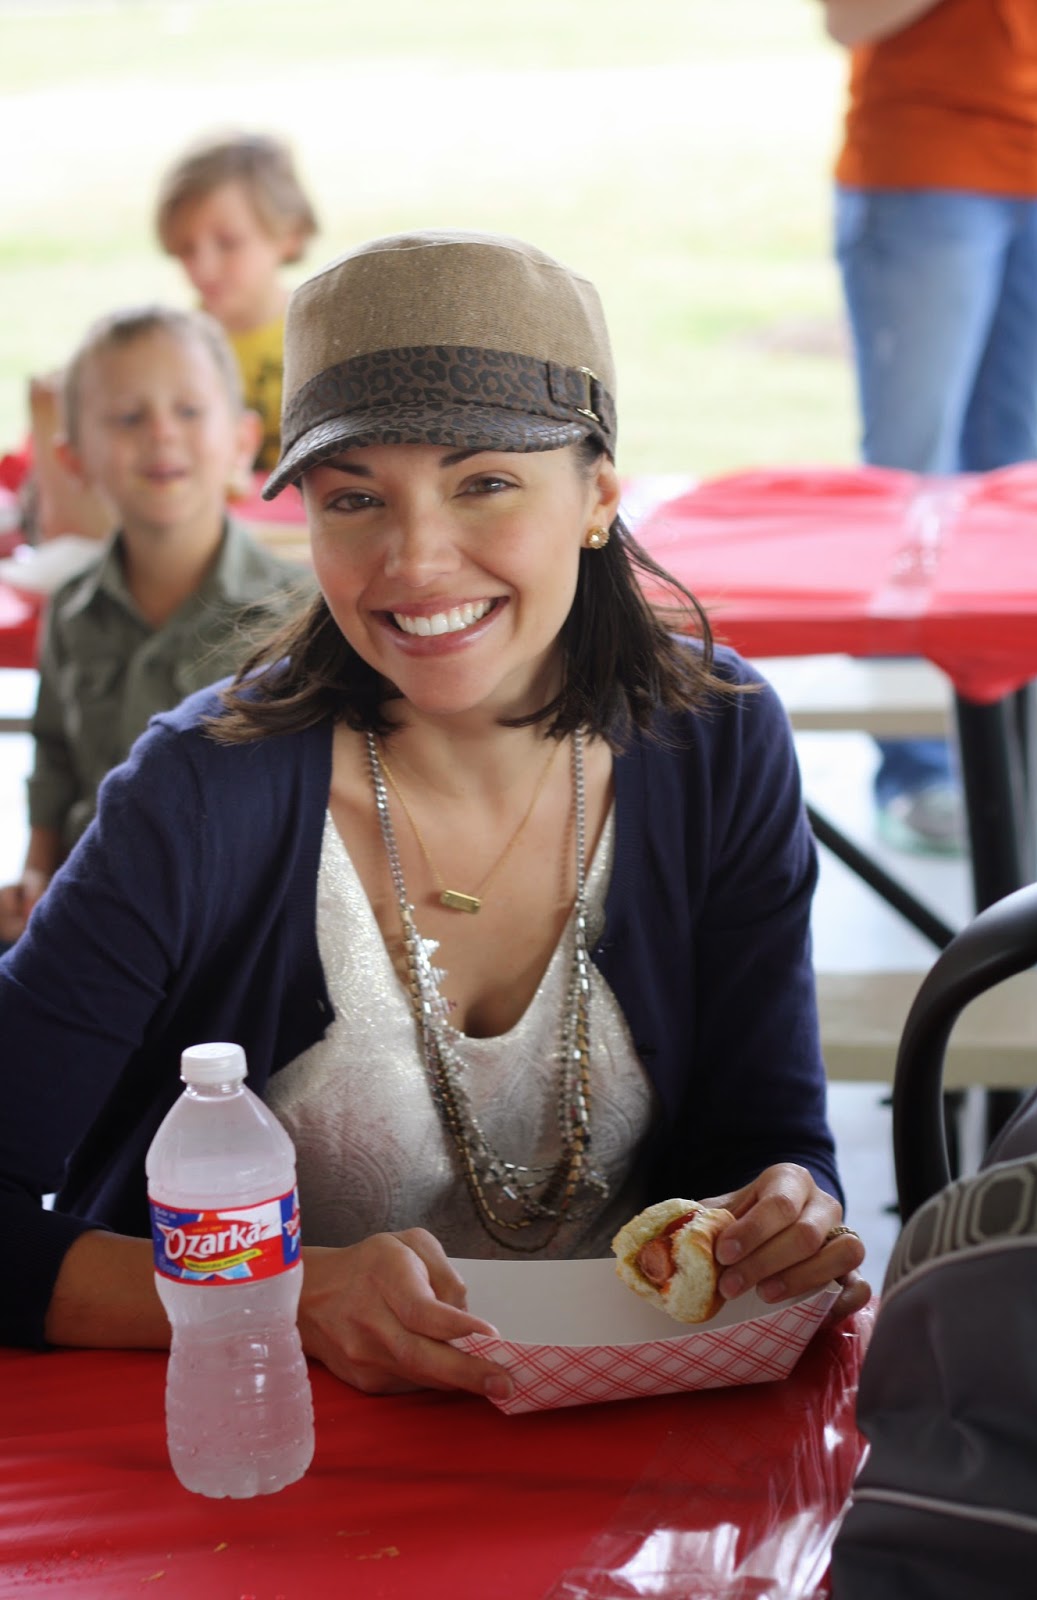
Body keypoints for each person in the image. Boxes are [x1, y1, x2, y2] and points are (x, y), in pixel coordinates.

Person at [0, 231, 869, 1401]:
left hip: (629, 1437)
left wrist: (785, 1212)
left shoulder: (716, 742)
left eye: (483, 483)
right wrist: (288, 1294)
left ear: (598, 495)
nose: (414, 560)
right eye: (355, 497)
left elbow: (770, 1138)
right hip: (260, 1453)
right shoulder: (199, 793)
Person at [822, 0, 1037, 854]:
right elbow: (847, 19)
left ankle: (1018, 746)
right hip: (923, 171)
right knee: (912, 477)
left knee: (1014, 475)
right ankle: (917, 767)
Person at [0, 305, 311, 945]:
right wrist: (35, 874)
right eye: (128, 417)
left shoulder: (298, 614)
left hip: (236, 928)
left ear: (242, 442)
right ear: (74, 459)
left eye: (189, 411)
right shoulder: (71, 610)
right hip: (89, 913)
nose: (162, 434)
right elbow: (54, 757)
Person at [155, 130, 319, 474]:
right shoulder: (176, 350)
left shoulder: (323, 336)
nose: (203, 267)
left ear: (289, 235)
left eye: (228, 243)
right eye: (185, 249)